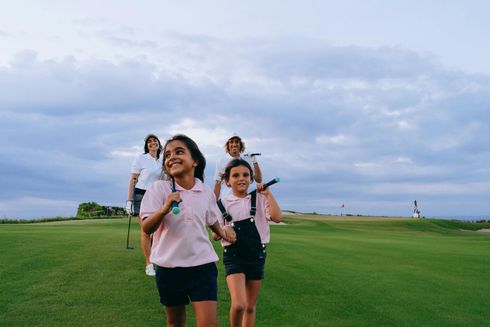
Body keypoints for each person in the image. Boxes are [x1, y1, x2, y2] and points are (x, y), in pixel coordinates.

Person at [140, 134, 236, 327]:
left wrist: (225, 230)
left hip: (203, 267)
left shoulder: (206, 192)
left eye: (179, 152)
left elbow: (213, 222)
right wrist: (164, 209)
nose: (171, 157)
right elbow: (147, 227)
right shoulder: (159, 189)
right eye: (167, 155)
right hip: (169, 269)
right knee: (175, 323)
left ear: (195, 161)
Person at [213, 158, 282, 327]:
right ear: (227, 181)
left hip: (257, 256)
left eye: (245, 175)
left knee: (250, 307)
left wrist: (268, 194)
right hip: (234, 256)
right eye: (235, 175)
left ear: (251, 178)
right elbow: (214, 235)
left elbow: (277, 218)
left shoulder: (259, 198)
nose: (241, 178)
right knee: (238, 305)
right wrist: (224, 231)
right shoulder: (221, 204)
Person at [126, 134, 163, 276]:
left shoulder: (161, 161)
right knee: (146, 230)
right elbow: (133, 179)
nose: (152, 143)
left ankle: (155, 258)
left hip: (156, 195)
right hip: (141, 195)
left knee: (156, 231)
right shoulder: (141, 159)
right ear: (146, 146)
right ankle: (149, 264)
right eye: (149, 142)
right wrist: (129, 200)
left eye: (155, 141)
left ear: (159, 144)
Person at [214, 135, 262, 199]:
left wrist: (254, 161)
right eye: (231, 142)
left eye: (236, 142)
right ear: (228, 145)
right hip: (226, 200)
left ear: (240, 145)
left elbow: (258, 180)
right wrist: (213, 203)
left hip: (242, 200)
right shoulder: (221, 161)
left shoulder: (246, 159)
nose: (234, 144)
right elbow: (217, 183)